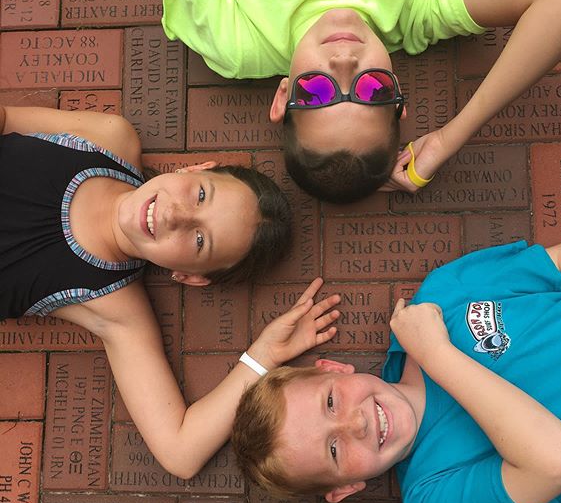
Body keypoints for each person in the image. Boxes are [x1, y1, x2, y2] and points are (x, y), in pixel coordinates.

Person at [0, 105, 341, 479]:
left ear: (190, 277)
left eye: (199, 240)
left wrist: (263, 356)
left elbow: (180, 450)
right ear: (196, 169)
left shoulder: (118, 311)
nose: (175, 215)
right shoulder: (109, 138)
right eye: (200, 196)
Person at [232, 232, 561, 503]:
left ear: (336, 369)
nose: (355, 425)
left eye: (332, 403)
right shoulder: (432, 500)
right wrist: (436, 355)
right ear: (345, 489)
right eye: (334, 450)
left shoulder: (440, 299)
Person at [162, 0, 561, 203]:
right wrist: (451, 136)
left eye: (315, 92)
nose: (342, 65)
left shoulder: (236, 43)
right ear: (398, 95)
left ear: (281, 97)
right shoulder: (418, 10)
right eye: (372, 90)